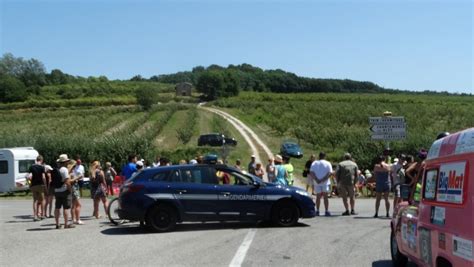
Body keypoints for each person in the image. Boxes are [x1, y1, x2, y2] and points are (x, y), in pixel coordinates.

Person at [54, 154, 75, 229]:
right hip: (64, 190)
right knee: (66, 208)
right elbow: (67, 181)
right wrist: (70, 190)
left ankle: (57, 224)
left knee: (57, 207)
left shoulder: (57, 169)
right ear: (65, 162)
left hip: (56, 190)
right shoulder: (64, 170)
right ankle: (66, 224)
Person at [309, 152, 332, 216]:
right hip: (325, 182)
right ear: (325, 156)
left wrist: (316, 179)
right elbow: (330, 173)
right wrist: (323, 179)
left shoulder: (314, 163)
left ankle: (317, 210)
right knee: (325, 197)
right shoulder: (328, 163)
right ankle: (326, 210)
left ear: (319, 156)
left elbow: (311, 172)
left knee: (318, 197)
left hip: (317, 182)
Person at [27, 155, 46, 221]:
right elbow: (43, 177)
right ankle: (42, 215)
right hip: (40, 184)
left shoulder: (31, 167)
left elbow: (28, 176)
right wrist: (45, 184)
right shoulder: (42, 167)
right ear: (41, 160)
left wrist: (29, 183)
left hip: (33, 185)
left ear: (36, 160)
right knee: (42, 199)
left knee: (35, 200)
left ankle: (35, 216)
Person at [70, 160, 84, 225]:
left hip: (73, 188)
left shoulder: (70, 171)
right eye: (75, 165)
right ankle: (77, 219)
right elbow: (71, 181)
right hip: (74, 189)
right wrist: (78, 177)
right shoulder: (71, 172)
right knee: (78, 205)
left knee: (73, 205)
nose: (75, 166)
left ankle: (73, 219)